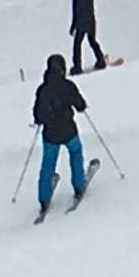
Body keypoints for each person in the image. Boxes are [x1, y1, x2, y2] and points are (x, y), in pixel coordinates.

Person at [31, 54, 90, 219]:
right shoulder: (68, 86)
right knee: (75, 152)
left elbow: (37, 115)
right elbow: (80, 104)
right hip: (68, 131)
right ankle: (79, 185)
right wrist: (81, 106)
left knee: (48, 163)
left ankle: (43, 198)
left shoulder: (43, 90)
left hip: (50, 134)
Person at [69, 0, 107, 74]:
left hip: (81, 25)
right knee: (92, 41)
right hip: (91, 23)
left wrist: (73, 27)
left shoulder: (76, 0)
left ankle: (77, 66)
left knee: (77, 45)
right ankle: (101, 60)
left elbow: (76, 15)